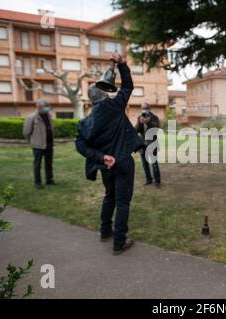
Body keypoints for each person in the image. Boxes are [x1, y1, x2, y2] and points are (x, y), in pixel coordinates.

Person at [75, 51, 143, 255]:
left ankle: (105, 231)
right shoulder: (114, 106)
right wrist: (122, 65)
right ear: (103, 94)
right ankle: (119, 242)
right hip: (122, 161)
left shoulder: (86, 122)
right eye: (105, 90)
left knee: (109, 197)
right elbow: (128, 86)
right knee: (122, 202)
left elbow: (80, 146)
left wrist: (101, 157)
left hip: (106, 164)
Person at [23, 99, 56, 189]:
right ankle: (37, 182)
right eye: (46, 106)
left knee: (49, 163)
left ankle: (49, 179)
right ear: (39, 107)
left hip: (49, 144)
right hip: (38, 145)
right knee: (37, 164)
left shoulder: (49, 116)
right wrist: (33, 141)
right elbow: (26, 132)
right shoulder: (32, 117)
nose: (48, 108)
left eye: (48, 106)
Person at [135, 103, 161, 187]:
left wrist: (148, 122)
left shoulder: (154, 118)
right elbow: (136, 130)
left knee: (154, 163)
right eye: (143, 108)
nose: (144, 110)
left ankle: (157, 181)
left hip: (152, 144)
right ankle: (148, 180)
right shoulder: (140, 118)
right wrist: (140, 123)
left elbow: (156, 128)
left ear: (149, 109)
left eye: (146, 108)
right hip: (143, 144)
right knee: (144, 164)